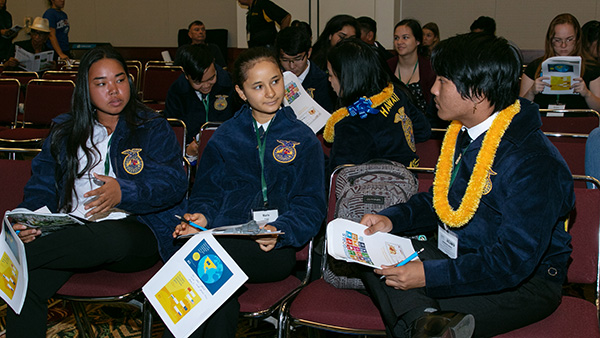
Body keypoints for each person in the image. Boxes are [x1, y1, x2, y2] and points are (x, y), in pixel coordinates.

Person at [359, 33, 574, 338]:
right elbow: (441, 201)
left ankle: (424, 321)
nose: (433, 89)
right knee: (374, 255)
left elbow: (512, 262)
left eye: (443, 81)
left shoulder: (535, 163)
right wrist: (392, 218)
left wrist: (428, 276)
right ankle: (426, 320)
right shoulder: (465, 133)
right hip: (458, 256)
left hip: (523, 283)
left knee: (405, 288)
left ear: (479, 94)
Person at [6, 45, 188, 337]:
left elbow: (172, 184)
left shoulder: (151, 126)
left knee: (110, 236)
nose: (114, 90)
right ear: (85, 89)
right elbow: (41, 183)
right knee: (25, 284)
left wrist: (123, 193)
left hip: (135, 233)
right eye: (101, 83)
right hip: (71, 231)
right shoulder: (65, 131)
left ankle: (11, 255)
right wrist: (30, 219)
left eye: (120, 79)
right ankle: (20, 257)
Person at [167, 47, 326, 338]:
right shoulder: (224, 136)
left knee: (198, 267)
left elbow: (311, 205)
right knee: (218, 293)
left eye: (276, 81)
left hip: (272, 247)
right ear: (241, 92)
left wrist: (281, 229)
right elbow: (207, 194)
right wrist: (201, 215)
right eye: (258, 86)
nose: (270, 92)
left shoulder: (304, 139)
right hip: (226, 237)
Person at [324, 38, 431, 175]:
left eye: (331, 75)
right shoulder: (394, 93)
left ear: (347, 78)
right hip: (410, 177)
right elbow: (424, 130)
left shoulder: (351, 123)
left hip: (376, 192)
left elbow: (337, 176)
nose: (329, 80)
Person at [165, 43, 237, 161]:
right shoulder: (177, 91)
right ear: (186, 75)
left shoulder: (231, 85)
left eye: (211, 78)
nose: (206, 86)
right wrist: (187, 149)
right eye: (198, 82)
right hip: (191, 155)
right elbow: (173, 130)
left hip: (228, 153)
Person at [520, 13, 600, 111]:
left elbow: (598, 108)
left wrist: (587, 94)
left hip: (580, 123)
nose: (563, 45)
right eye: (558, 40)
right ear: (551, 41)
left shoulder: (591, 69)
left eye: (569, 40)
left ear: (578, 39)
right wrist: (531, 92)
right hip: (541, 122)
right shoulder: (534, 67)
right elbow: (519, 110)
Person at [275, 26, 334, 112]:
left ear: (309, 53)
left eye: (298, 59)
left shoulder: (324, 81)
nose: (292, 66)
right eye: (285, 60)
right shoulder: (274, 80)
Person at [387, 19, 436, 114]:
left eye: (405, 37)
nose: (399, 42)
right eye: (396, 38)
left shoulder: (429, 68)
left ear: (417, 41)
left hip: (423, 124)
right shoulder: (386, 66)